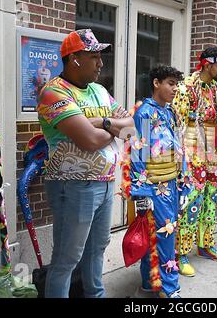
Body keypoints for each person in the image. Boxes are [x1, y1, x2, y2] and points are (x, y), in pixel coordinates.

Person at [37, 29, 134, 298]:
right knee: (67, 258)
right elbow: (90, 140)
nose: (101, 64)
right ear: (74, 59)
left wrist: (101, 122)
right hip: (73, 186)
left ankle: (95, 295)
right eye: (94, 57)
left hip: (104, 184)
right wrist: (110, 128)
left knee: (97, 249)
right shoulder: (53, 93)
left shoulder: (100, 91)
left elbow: (131, 128)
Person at [171, 46, 217, 277]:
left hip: (215, 144)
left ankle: (206, 245)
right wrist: (179, 156)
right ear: (206, 64)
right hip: (193, 144)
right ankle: (180, 253)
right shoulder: (187, 87)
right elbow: (177, 122)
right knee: (191, 198)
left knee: (212, 196)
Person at [130, 65, 184, 298]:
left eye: (176, 84)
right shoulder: (144, 112)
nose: (175, 88)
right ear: (156, 83)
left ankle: (149, 281)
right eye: (170, 83)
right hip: (154, 185)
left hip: (171, 182)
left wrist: (182, 181)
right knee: (165, 233)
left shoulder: (169, 112)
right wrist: (141, 192)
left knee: (159, 233)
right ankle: (169, 288)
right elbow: (137, 153)